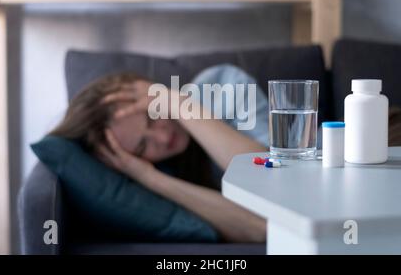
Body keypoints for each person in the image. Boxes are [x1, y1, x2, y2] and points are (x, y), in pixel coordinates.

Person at [50, 65, 269, 243]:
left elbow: (266, 177)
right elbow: (261, 230)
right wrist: (150, 178)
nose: (163, 138)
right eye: (142, 147)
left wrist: (179, 105)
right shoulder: (157, 171)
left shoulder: (221, 85)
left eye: (153, 117)